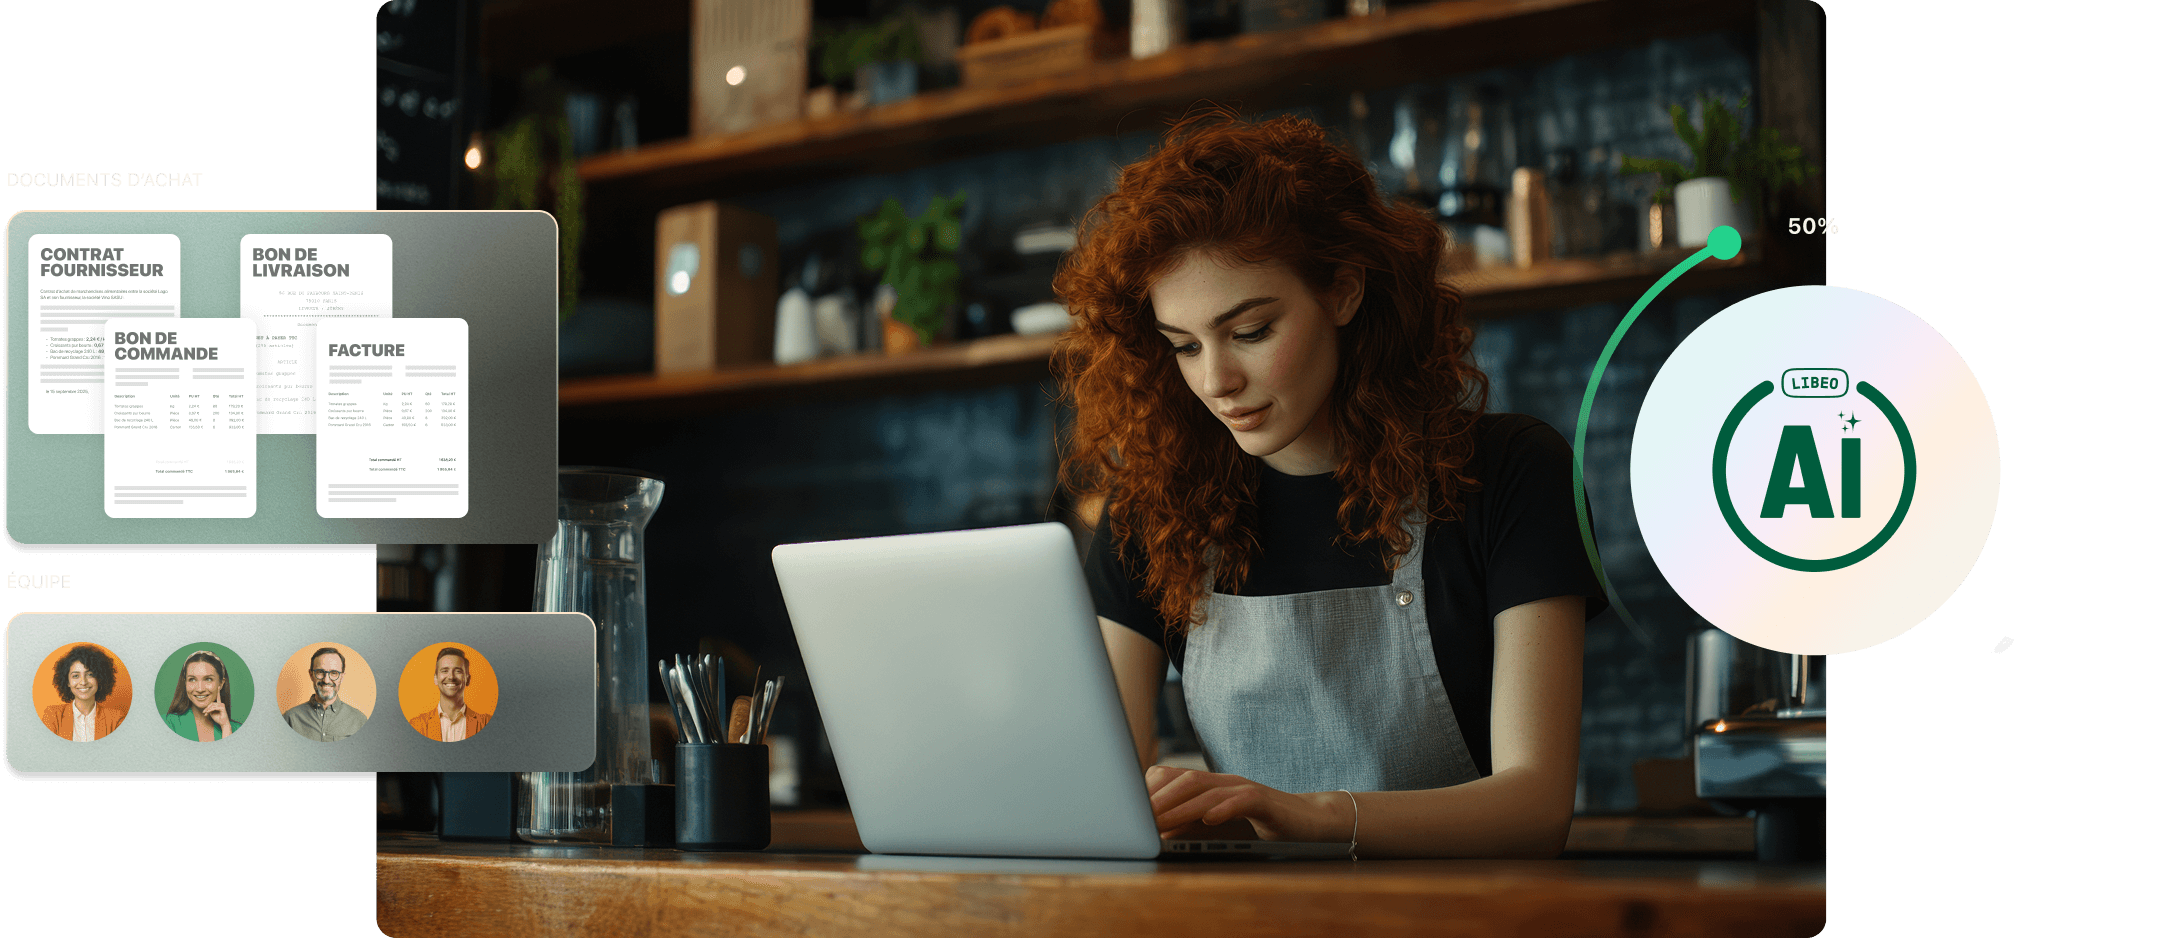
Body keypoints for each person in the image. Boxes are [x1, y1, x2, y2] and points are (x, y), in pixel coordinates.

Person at [1052, 112, 1606, 859]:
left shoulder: (1507, 472)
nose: (1215, 381)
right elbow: (1089, 788)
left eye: (1249, 332)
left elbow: (1536, 804)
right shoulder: (1153, 511)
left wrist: (1311, 816)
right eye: (1183, 346)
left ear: (1342, 293)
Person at [41, 645, 125, 741]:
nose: (83, 682)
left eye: (90, 674)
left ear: (99, 678)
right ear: (67, 682)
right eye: (76, 676)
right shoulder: (52, 716)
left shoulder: (115, 719)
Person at [283, 647, 367, 742]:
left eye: (334, 673)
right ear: (311, 675)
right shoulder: (290, 718)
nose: (326, 680)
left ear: (342, 677)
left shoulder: (359, 720)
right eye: (320, 672)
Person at [408, 646, 489, 741]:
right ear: (435, 679)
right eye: (445, 671)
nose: (451, 677)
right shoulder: (417, 725)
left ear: (468, 679)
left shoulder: (486, 722)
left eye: (458, 671)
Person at [163, 650, 243, 742]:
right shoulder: (168, 723)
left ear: (220, 683)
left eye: (208, 679)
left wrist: (225, 727)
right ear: (185, 683)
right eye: (192, 679)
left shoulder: (237, 729)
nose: (200, 689)